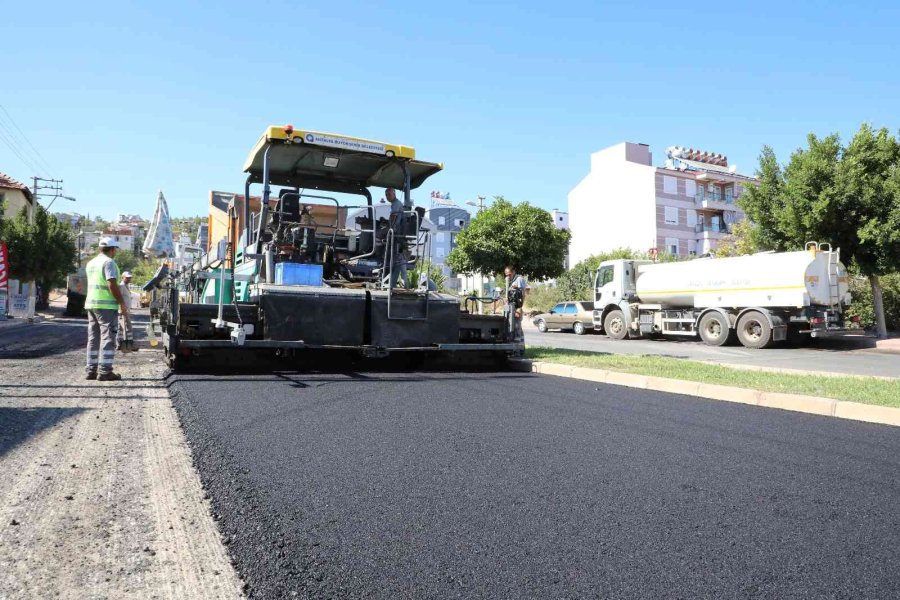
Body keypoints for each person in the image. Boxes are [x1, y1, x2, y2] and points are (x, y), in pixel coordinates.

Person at [84, 238, 127, 381]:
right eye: (115, 249)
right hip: (106, 306)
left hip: (91, 304)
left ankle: (91, 370)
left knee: (93, 338)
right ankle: (105, 371)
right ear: (112, 249)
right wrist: (122, 302)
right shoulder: (108, 262)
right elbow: (112, 284)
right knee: (108, 337)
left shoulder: (91, 263)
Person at [504, 265, 527, 342]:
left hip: (517, 308)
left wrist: (519, 308)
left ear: (513, 272)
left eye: (509, 274)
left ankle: (519, 345)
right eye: (506, 275)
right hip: (511, 307)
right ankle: (514, 342)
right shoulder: (510, 281)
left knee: (517, 326)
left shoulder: (519, 279)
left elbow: (522, 294)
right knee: (512, 325)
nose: (508, 276)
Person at [117, 271, 135, 353]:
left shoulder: (126, 286)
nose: (129, 279)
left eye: (129, 278)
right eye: (127, 277)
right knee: (123, 327)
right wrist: (121, 309)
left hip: (126, 309)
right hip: (123, 310)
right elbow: (119, 297)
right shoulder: (121, 286)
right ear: (122, 277)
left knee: (125, 326)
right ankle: (122, 343)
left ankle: (126, 343)